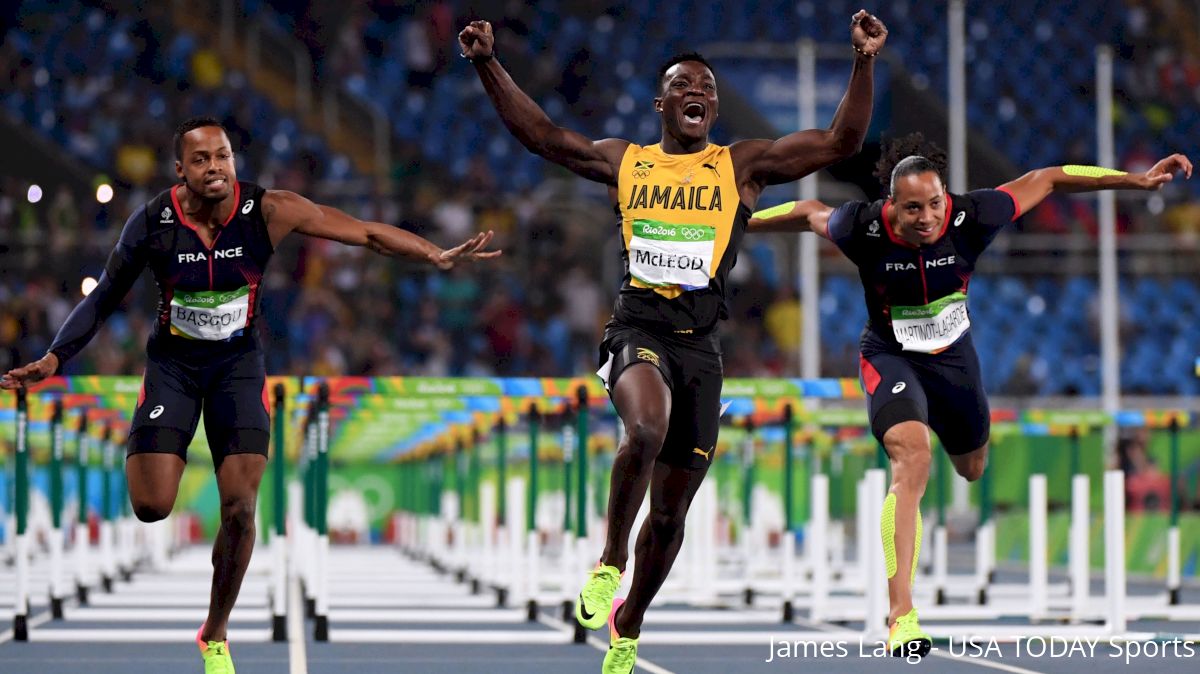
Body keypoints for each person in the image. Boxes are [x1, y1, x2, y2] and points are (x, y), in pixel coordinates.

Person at [459, 11, 887, 673]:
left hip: (700, 348)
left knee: (670, 516)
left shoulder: (741, 166)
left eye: (708, 88)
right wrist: (488, 63)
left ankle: (630, 619)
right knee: (646, 430)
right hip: (637, 330)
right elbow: (542, 136)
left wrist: (863, 62)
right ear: (661, 104)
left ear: (713, 109)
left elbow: (840, 140)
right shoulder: (624, 162)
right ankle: (609, 560)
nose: (699, 92)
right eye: (685, 84)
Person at [0, 116, 500, 673]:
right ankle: (153, 434)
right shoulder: (152, 223)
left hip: (238, 365)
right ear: (180, 170)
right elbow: (103, 297)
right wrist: (54, 357)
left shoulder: (268, 209)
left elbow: (361, 230)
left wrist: (432, 254)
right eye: (201, 160)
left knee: (239, 507)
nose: (214, 168)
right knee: (150, 506)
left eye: (223, 157)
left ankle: (215, 632)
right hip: (173, 366)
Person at [749, 133, 1192, 656]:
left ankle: (943, 437)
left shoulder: (971, 216)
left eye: (935, 203)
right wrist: (735, 223)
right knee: (912, 460)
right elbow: (807, 211)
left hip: (954, 360)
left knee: (972, 467)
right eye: (913, 208)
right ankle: (901, 615)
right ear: (892, 206)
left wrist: (1133, 179)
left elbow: (1047, 178)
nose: (928, 217)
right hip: (890, 355)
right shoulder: (862, 225)